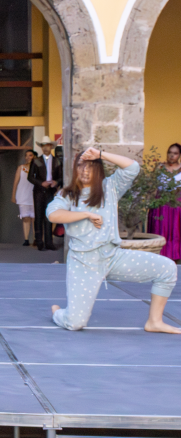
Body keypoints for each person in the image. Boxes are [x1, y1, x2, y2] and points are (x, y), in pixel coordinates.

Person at [47, 148, 179, 333]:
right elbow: (53, 215)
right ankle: (58, 313)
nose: (85, 171)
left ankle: (155, 322)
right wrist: (85, 214)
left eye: (91, 167)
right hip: (83, 263)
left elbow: (132, 167)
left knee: (168, 268)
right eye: (80, 166)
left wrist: (101, 154)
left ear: (99, 169)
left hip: (113, 257)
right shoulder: (67, 195)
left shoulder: (110, 187)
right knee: (75, 323)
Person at [28, 136, 62, 251]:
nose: (45, 148)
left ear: (51, 146)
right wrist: (41, 183)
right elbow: (30, 177)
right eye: (43, 146)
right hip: (38, 191)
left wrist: (56, 182)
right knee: (38, 217)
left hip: (50, 191)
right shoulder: (36, 161)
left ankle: (49, 242)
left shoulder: (57, 161)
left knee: (49, 216)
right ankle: (39, 242)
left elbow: (61, 177)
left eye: (47, 145)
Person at [148, 143, 181, 261]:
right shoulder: (160, 167)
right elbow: (151, 185)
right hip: (160, 204)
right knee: (160, 229)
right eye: (170, 152)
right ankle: (159, 255)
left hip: (177, 204)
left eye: (175, 153)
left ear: (179, 155)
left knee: (175, 231)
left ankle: (176, 256)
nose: (172, 155)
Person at [12, 149, 36, 246]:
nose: (28, 157)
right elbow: (16, 182)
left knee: (34, 218)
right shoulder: (21, 168)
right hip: (22, 195)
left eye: (30, 155)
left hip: (34, 196)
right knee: (25, 217)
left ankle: (35, 239)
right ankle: (26, 239)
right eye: (26, 155)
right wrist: (13, 195)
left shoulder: (37, 168)